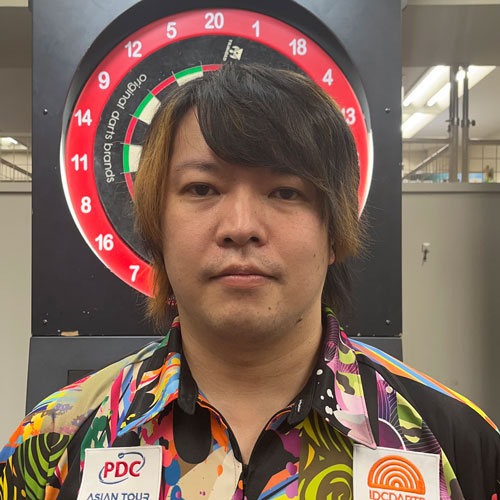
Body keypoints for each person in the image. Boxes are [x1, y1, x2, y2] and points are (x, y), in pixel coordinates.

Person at [1, 64, 499, 500]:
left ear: (333, 233)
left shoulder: (457, 443)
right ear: (157, 227)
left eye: (285, 191)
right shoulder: (54, 441)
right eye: (202, 188)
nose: (240, 227)